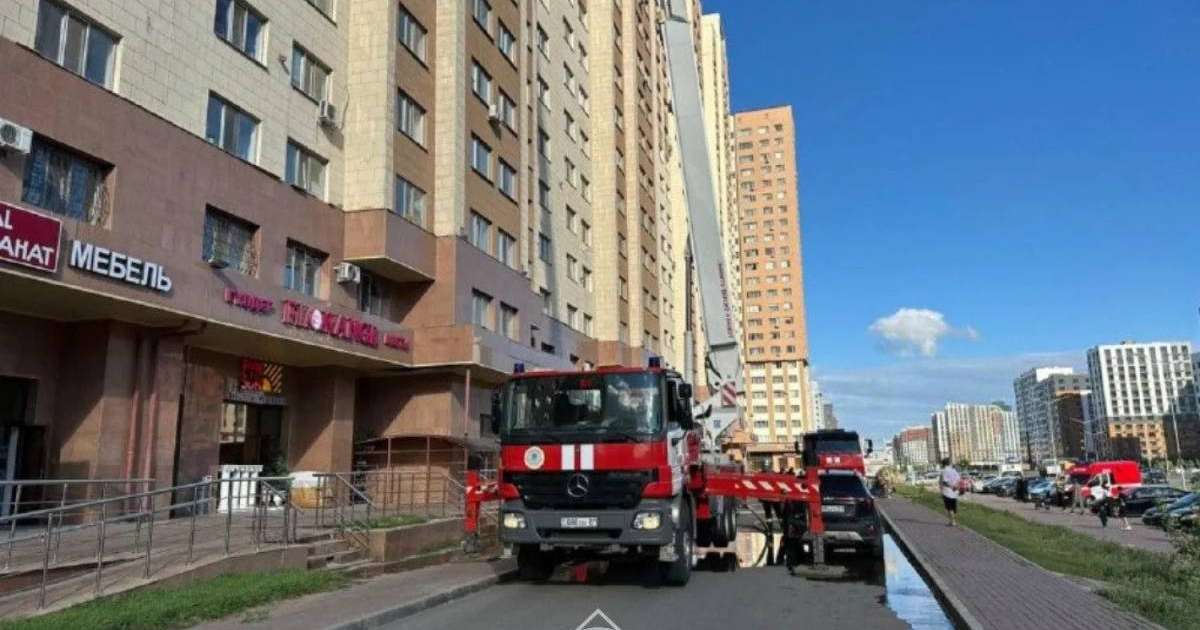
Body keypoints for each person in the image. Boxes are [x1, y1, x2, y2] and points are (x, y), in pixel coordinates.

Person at [938, 458, 961, 527]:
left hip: (947, 492)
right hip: (955, 492)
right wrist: (956, 486)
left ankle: (952, 522)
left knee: (949, 508)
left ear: (943, 464)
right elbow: (958, 479)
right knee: (954, 507)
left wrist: (951, 487)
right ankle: (954, 521)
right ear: (949, 463)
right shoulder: (954, 470)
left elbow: (945, 482)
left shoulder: (944, 471)